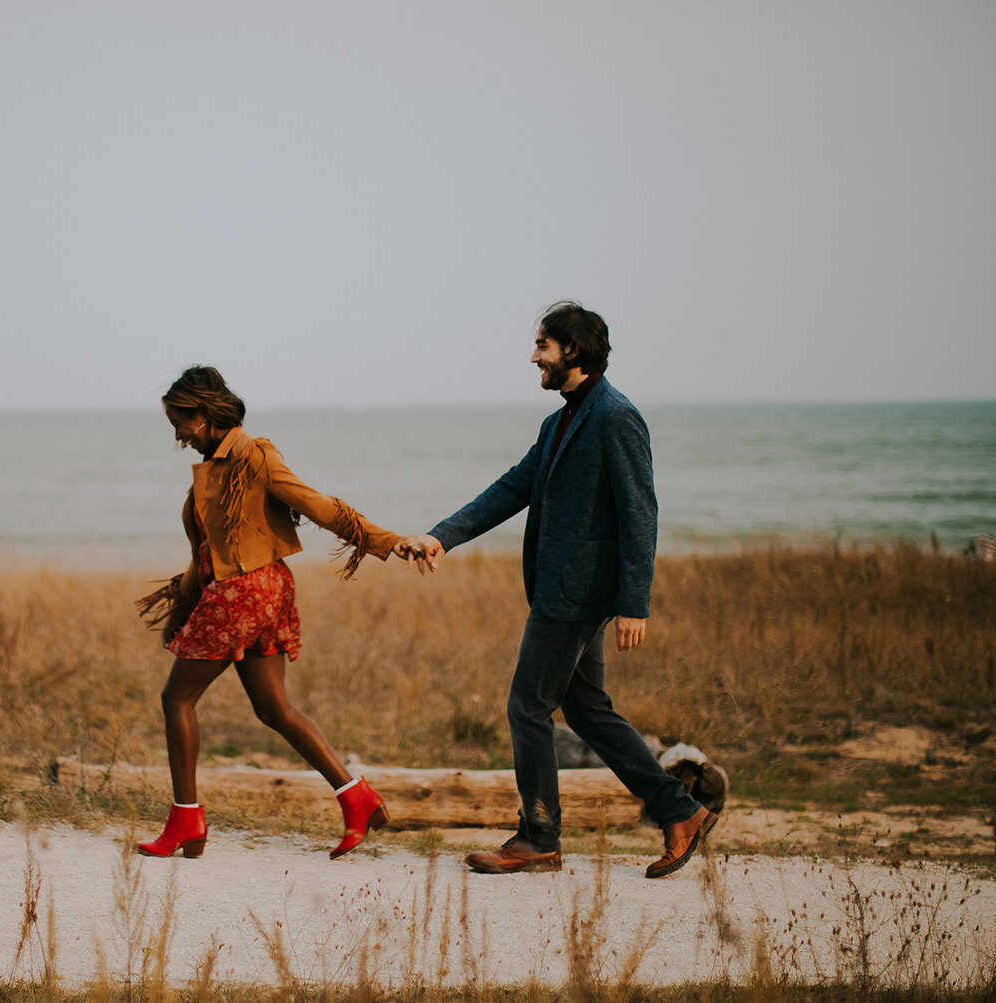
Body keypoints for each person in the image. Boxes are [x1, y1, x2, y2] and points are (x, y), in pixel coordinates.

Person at [395, 302, 716, 878]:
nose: (533, 356)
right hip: (562, 590)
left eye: (542, 345)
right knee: (588, 710)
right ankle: (679, 809)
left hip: (576, 595)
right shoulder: (560, 422)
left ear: (573, 351)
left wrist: (632, 604)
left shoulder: (616, 418)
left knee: (527, 706)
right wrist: (442, 537)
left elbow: (640, 512)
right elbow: (511, 488)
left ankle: (539, 835)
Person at [135, 365, 397, 860]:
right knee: (274, 709)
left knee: (177, 700)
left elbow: (314, 504)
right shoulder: (213, 468)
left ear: (205, 415)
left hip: (242, 594)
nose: (178, 436)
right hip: (264, 590)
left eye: (181, 424)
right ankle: (357, 797)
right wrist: (182, 606)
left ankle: (185, 820)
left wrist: (387, 542)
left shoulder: (254, 455)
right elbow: (206, 553)